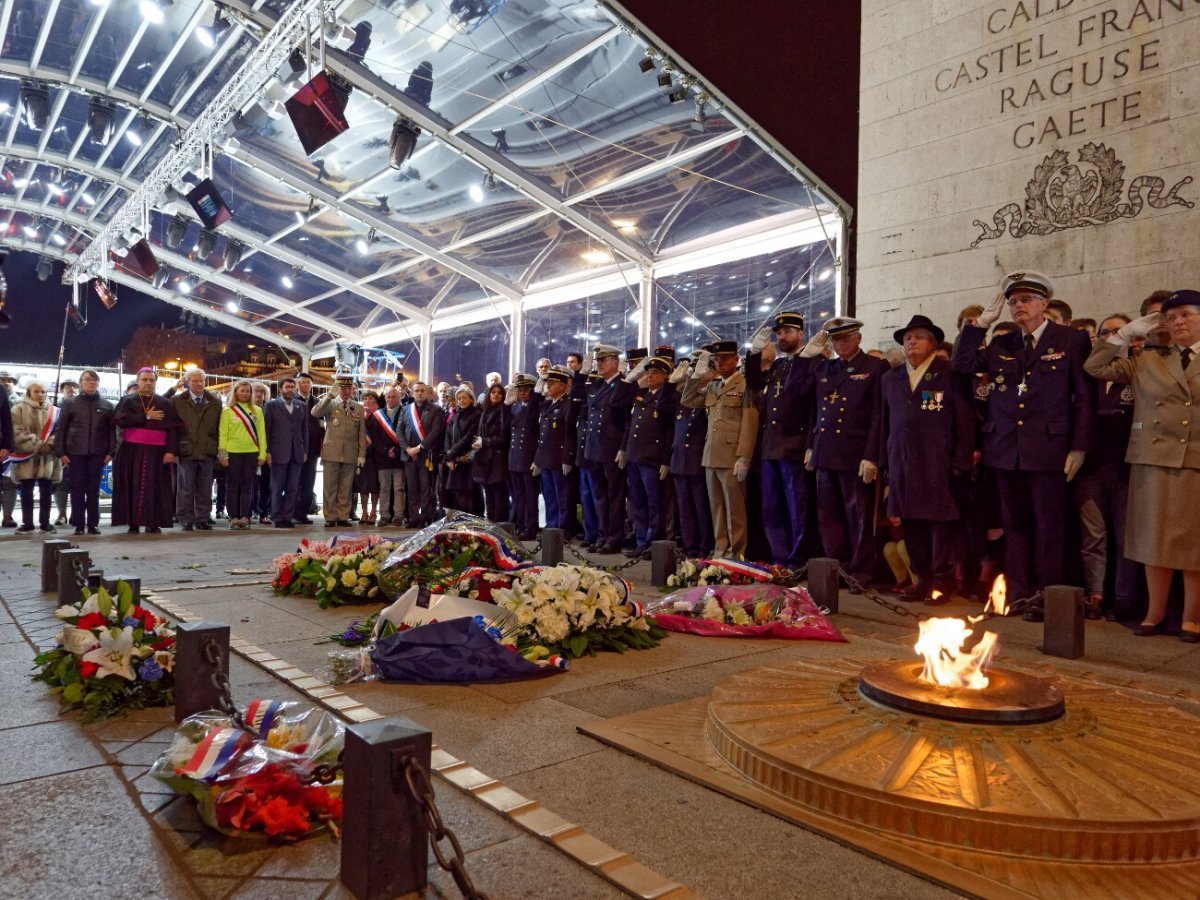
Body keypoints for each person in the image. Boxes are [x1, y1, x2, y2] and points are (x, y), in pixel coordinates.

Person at [953, 270, 1093, 621]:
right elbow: (963, 364)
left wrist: (1079, 446)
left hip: (1048, 449)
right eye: (1013, 301)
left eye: (1026, 299)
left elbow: (1083, 398)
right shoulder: (1003, 343)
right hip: (1006, 451)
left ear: (1044, 304)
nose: (1019, 306)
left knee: (1049, 528)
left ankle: (1046, 598)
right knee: (1015, 529)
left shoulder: (1069, 340)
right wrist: (977, 326)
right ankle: (1018, 594)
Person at [1084, 290, 1200, 641]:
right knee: (1153, 541)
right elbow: (1095, 367)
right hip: (1152, 459)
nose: (1177, 322)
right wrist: (1123, 335)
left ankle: (1192, 617)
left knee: (1193, 544)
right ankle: (1155, 612)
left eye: (1186, 314)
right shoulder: (1149, 360)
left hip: (1195, 459)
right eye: (1171, 316)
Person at [880, 316, 974, 602]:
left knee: (940, 526)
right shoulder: (890, 378)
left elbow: (966, 421)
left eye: (919, 337)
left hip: (938, 463)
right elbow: (884, 422)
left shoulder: (949, 373)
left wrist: (961, 460)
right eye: (908, 338)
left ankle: (941, 582)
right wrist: (884, 463)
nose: (911, 342)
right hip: (903, 464)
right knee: (912, 524)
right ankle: (921, 578)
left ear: (933, 343)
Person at [806, 317, 889, 585]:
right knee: (829, 517)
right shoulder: (824, 368)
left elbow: (879, 416)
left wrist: (872, 455)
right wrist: (811, 444)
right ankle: (837, 569)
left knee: (859, 517)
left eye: (845, 338)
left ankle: (861, 570)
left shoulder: (875, 367)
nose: (840, 344)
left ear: (858, 339)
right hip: (826, 451)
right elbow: (811, 407)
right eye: (835, 339)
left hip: (855, 454)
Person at [1072, 313, 1140, 620]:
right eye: (1105, 332)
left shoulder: (1137, 373)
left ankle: (1124, 598)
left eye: (1118, 331)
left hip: (1126, 469)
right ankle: (1095, 595)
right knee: (1093, 537)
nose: (1110, 335)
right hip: (1091, 469)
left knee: (1126, 538)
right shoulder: (1089, 377)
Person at [745, 311, 816, 567]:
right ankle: (779, 557)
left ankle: (797, 560)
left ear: (801, 334)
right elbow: (753, 382)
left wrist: (810, 444)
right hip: (771, 447)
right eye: (779, 333)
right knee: (772, 508)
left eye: (787, 332)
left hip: (794, 446)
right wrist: (753, 354)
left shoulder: (811, 362)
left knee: (797, 509)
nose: (782, 336)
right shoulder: (779, 365)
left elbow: (809, 404)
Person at [680, 340, 759, 559]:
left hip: (732, 456)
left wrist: (744, 456)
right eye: (717, 359)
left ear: (736, 359)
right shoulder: (714, 386)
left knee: (735, 511)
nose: (720, 362)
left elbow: (749, 422)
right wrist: (695, 377)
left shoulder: (745, 385)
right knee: (716, 509)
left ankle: (736, 554)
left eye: (725, 358)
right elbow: (687, 400)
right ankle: (720, 550)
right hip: (711, 455)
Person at [620, 356, 677, 558]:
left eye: (655, 373)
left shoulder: (668, 397)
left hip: (653, 458)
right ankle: (641, 541)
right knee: (638, 503)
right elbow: (624, 414)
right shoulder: (640, 395)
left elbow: (669, 431)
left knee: (654, 504)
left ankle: (655, 543)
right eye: (648, 372)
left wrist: (666, 460)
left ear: (665, 376)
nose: (650, 376)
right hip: (635, 456)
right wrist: (624, 449)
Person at [111, 367, 179, 534]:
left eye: (152, 380)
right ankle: (133, 523)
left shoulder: (165, 403)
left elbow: (173, 429)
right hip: (132, 451)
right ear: (138, 381)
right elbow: (120, 420)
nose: (148, 383)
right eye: (145, 380)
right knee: (131, 485)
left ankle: (153, 522)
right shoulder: (128, 400)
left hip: (158, 452)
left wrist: (170, 451)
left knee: (156, 487)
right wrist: (146, 416)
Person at [583, 347, 638, 553]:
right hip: (595, 446)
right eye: (598, 361)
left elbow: (627, 421)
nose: (599, 364)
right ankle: (602, 534)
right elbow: (580, 399)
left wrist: (623, 447)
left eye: (603, 361)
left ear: (615, 362)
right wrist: (581, 375)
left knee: (615, 495)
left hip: (612, 448)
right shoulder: (596, 385)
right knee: (599, 495)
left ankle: (614, 538)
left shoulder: (624, 385)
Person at [54, 369, 113, 535]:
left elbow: (111, 431)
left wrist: (111, 452)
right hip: (74, 453)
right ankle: (79, 524)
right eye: (87, 380)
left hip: (98, 453)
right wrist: (61, 452)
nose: (91, 382)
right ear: (81, 383)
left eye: (94, 380)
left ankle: (93, 524)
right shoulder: (70, 403)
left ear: (98, 383)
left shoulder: (107, 405)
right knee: (77, 489)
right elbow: (61, 429)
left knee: (93, 490)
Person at [667, 355, 714, 558]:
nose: (698, 374)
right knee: (685, 509)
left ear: (712, 372)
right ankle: (690, 547)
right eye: (694, 371)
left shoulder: (709, 397)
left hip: (697, 462)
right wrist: (673, 384)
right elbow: (664, 405)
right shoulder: (684, 399)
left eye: (702, 370)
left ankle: (704, 547)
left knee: (701, 508)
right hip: (680, 461)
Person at [170, 368, 221, 532]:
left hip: (207, 450)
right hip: (186, 450)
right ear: (187, 382)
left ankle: (202, 518)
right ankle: (185, 519)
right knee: (185, 488)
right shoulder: (177, 401)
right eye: (195, 381)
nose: (199, 384)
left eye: (201, 381)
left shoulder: (215, 401)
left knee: (205, 488)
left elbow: (219, 427)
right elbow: (172, 427)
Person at [312, 375, 366, 527]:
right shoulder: (330, 404)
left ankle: (343, 516)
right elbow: (315, 412)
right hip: (332, 452)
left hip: (350, 452)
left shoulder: (358, 406)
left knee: (346, 486)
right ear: (338, 389)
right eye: (343, 388)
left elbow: (361, 433)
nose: (346, 391)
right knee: (330, 486)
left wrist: (362, 454)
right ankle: (330, 517)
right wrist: (329, 395)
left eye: (349, 388)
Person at [9, 380, 62, 533]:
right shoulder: (17, 409)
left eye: (43, 392)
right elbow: (16, 432)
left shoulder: (55, 411)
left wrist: (50, 444)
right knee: (26, 491)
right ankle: (27, 524)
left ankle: (45, 523)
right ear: (29, 393)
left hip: (48, 457)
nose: (40, 394)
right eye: (36, 391)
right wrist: (38, 445)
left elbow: (59, 432)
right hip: (26, 456)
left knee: (46, 491)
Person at [218, 379, 267, 530]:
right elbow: (223, 434)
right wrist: (222, 455)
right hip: (232, 453)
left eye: (248, 391)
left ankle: (245, 517)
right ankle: (233, 517)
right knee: (232, 487)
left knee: (248, 487)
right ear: (236, 392)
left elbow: (262, 434)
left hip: (252, 453)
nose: (245, 394)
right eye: (242, 391)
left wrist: (262, 454)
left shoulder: (257, 411)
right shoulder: (227, 410)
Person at [532, 366, 575, 532]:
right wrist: (537, 459)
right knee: (549, 497)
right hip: (545, 458)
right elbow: (539, 432)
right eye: (547, 383)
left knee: (562, 497)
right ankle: (551, 527)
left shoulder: (568, 404)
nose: (548, 386)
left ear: (563, 386)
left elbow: (569, 434)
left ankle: (563, 529)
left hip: (559, 458)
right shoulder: (547, 405)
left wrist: (567, 457)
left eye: (552, 383)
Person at [264, 375, 309, 529]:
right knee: (277, 487)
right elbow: (266, 431)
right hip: (278, 453)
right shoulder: (271, 406)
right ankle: (277, 517)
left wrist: (305, 450)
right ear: (280, 389)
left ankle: (288, 517)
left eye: (292, 387)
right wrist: (267, 451)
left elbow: (305, 431)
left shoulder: (301, 406)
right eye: (287, 387)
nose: (290, 390)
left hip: (296, 452)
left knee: (293, 487)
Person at [402, 381, 444, 527]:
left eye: (422, 390)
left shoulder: (436, 410)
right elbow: (399, 431)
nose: (419, 393)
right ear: (412, 393)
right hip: (409, 456)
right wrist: (407, 449)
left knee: (426, 489)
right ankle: (414, 518)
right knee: (412, 488)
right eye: (417, 391)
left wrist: (419, 448)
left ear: (427, 393)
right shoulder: (406, 409)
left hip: (426, 455)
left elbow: (435, 432)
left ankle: (425, 518)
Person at [507, 373, 542, 539]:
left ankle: (530, 526)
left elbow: (531, 422)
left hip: (528, 457)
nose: (522, 393)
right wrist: (505, 407)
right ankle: (520, 524)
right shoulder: (515, 407)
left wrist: (534, 398)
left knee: (530, 495)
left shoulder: (536, 407)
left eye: (526, 390)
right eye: (519, 389)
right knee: (518, 495)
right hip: (515, 457)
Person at [369, 385, 407, 525]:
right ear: (385, 398)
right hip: (383, 458)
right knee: (384, 488)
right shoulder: (378, 415)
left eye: (394, 397)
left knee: (399, 488)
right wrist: (386, 451)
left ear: (399, 398)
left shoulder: (405, 412)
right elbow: (374, 437)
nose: (391, 399)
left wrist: (396, 450)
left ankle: (398, 515)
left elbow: (407, 434)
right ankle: (384, 515)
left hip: (399, 458)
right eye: (388, 397)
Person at [472, 382, 511, 521]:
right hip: (484, 457)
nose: (496, 395)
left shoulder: (504, 412)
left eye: (499, 393)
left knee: (498, 491)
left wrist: (485, 441)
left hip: (498, 457)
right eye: (493, 392)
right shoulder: (485, 411)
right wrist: (477, 443)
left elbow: (504, 437)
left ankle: (500, 522)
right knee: (488, 491)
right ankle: (490, 520)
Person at [443, 386, 481, 514]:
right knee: (457, 493)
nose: (461, 401)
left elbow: (469, 437)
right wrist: (449, 455)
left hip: (467, 459)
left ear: (471, 399)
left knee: (469, 493)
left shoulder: (476, 415)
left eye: (464, 398)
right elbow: (447, 436)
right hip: (455, 459)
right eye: (459, 398)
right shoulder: (455, 416)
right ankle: (460, 523)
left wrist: (451, 453)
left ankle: (470, 523)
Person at [295, 372, 322, 523]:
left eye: (308, 382)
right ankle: (291, 511)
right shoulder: (291, 400)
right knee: (294, 481)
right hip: (295, 447)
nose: (305, 385)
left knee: (309, 481)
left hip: (312, 447)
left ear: (312, 384)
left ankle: (303, 513)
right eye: (302, 382)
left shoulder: (318, 402)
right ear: (297, 384)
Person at [354, 392, 382, 525]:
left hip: (376, 455)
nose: (367, 401)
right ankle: (364, 512)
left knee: (375, 486)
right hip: (362, 455)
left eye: (370, 398)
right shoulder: (359, 415)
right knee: (363, 485)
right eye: (365, 398)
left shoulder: (380, 415)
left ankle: (373, 512)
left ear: (376, 401)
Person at [53, 380, 78, 525]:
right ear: (62, 390)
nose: (71, 390)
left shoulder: (81, 406)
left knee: (77, 484)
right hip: (61, 451)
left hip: (78, 451)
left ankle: (76, 513)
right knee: (60, 483)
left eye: (74, 388)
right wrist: (59, 451)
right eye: (68, 388)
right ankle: (62, 514)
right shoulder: (55, 408)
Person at [250, 382, 273, 524]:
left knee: (265, 485)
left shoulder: (269, 409)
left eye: (262, 392)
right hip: (247, 452)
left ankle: (263, 512)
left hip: (264, 453)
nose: (259, 394)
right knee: (249, 485)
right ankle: (249, 511)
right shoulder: (244, 410)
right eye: (256, 391)